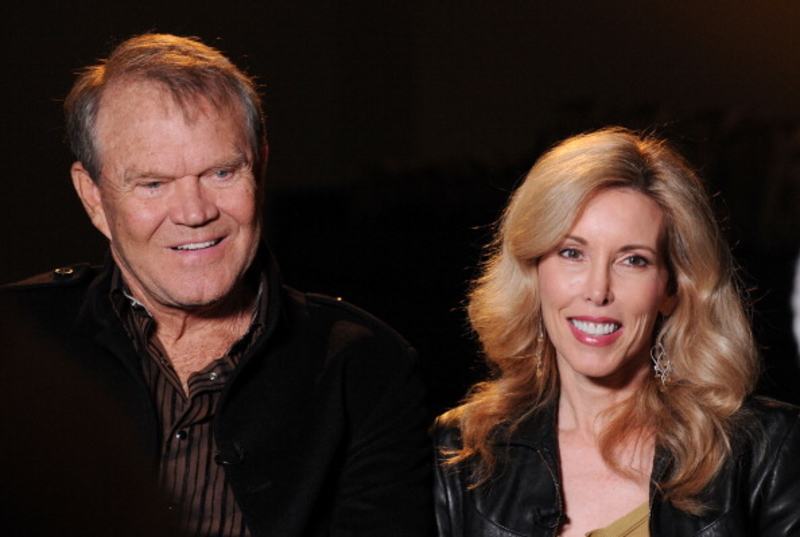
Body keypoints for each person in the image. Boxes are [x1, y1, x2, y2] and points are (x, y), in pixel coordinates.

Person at [0, 33, 433, 536]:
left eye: (222, 172)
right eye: (153, 183)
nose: (194, 213)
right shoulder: (17, 346)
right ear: (93, 197)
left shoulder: (363, 366)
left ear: (262, 170)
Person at [433, 127, 800, 536]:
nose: (597, 291)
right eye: (572, 253)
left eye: (633, 261)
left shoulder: (767, 449)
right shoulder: (460, 449)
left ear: (673, 288)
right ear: (533, 272)